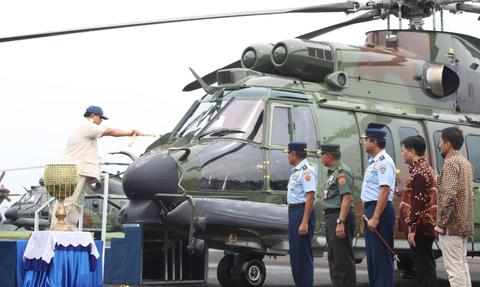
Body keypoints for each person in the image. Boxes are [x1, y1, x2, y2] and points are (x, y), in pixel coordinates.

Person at [51, 106, 140, 230]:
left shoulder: (87, 130)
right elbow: (110, 131)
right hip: (74, 169)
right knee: (67, 200)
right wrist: (129, 133)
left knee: (77, 203)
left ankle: (70, 227)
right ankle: (56, 226)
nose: (101, 121)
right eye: (100, 117)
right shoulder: (86, 125)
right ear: (92, 115)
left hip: (81, 169)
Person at [434, 127, 474, 287]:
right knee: (462, 267)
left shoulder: (450, 164)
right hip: (464, 223)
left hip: (452, 225)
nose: (439, 144)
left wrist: (441, 224)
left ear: (447, 144)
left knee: (454, 270)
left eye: (440, 141)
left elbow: (449, 196)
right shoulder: (465, 163)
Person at [399, 135, 438, 287]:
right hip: (423, 228)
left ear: (412, 151)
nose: (402, 154)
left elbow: (418, 203)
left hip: (420, 229)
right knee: (426, 268)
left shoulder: (419, 172)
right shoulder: (423, 168)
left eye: (403, 151)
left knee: (424, 270)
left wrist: (412, 229)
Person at [360, 128, 396, 287]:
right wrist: (365, 217)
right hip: (371, 209)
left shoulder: (383, 162)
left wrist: (375, 217)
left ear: (374, 142)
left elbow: (384, 191)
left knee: (381, 258)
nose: (364, 143)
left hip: (380, 211)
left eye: (366, 140)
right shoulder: (373, 161)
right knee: (373, 259)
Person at [319, 144, 356, 287]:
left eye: (322, 154)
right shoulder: (334, 172)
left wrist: (341, 221)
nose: (321, 157)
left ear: (328, 155)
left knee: (343, 259)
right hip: (332, 217)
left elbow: (347, 198)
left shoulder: (342, 172)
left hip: (340, 216)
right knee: (334, 259)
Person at [285, 142, 317, 287]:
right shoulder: (297, 171)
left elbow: (310, 197)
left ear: (294, 154)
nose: (287, 156)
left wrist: (304, 222)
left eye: (288, 153)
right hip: (294, 211)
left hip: (302, 212)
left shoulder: (306, 171)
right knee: (296, 255)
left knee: (302, 255)